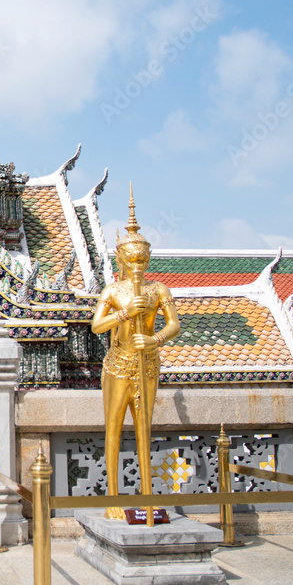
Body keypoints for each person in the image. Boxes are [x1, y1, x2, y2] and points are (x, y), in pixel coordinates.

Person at [91, 188, 180, 521]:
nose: (137, 263)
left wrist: (156, 339)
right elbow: (97, 325)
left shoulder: (160, 290)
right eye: (131, 258)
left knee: (145, 430)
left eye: (142, 257)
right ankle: (111, 496)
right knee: (112, 429)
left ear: (148, 257)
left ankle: (147, 496)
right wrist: (125, 313)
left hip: (147, 364)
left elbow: (174, 326)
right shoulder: (113, 290)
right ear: (121, 258)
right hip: (117, 365)